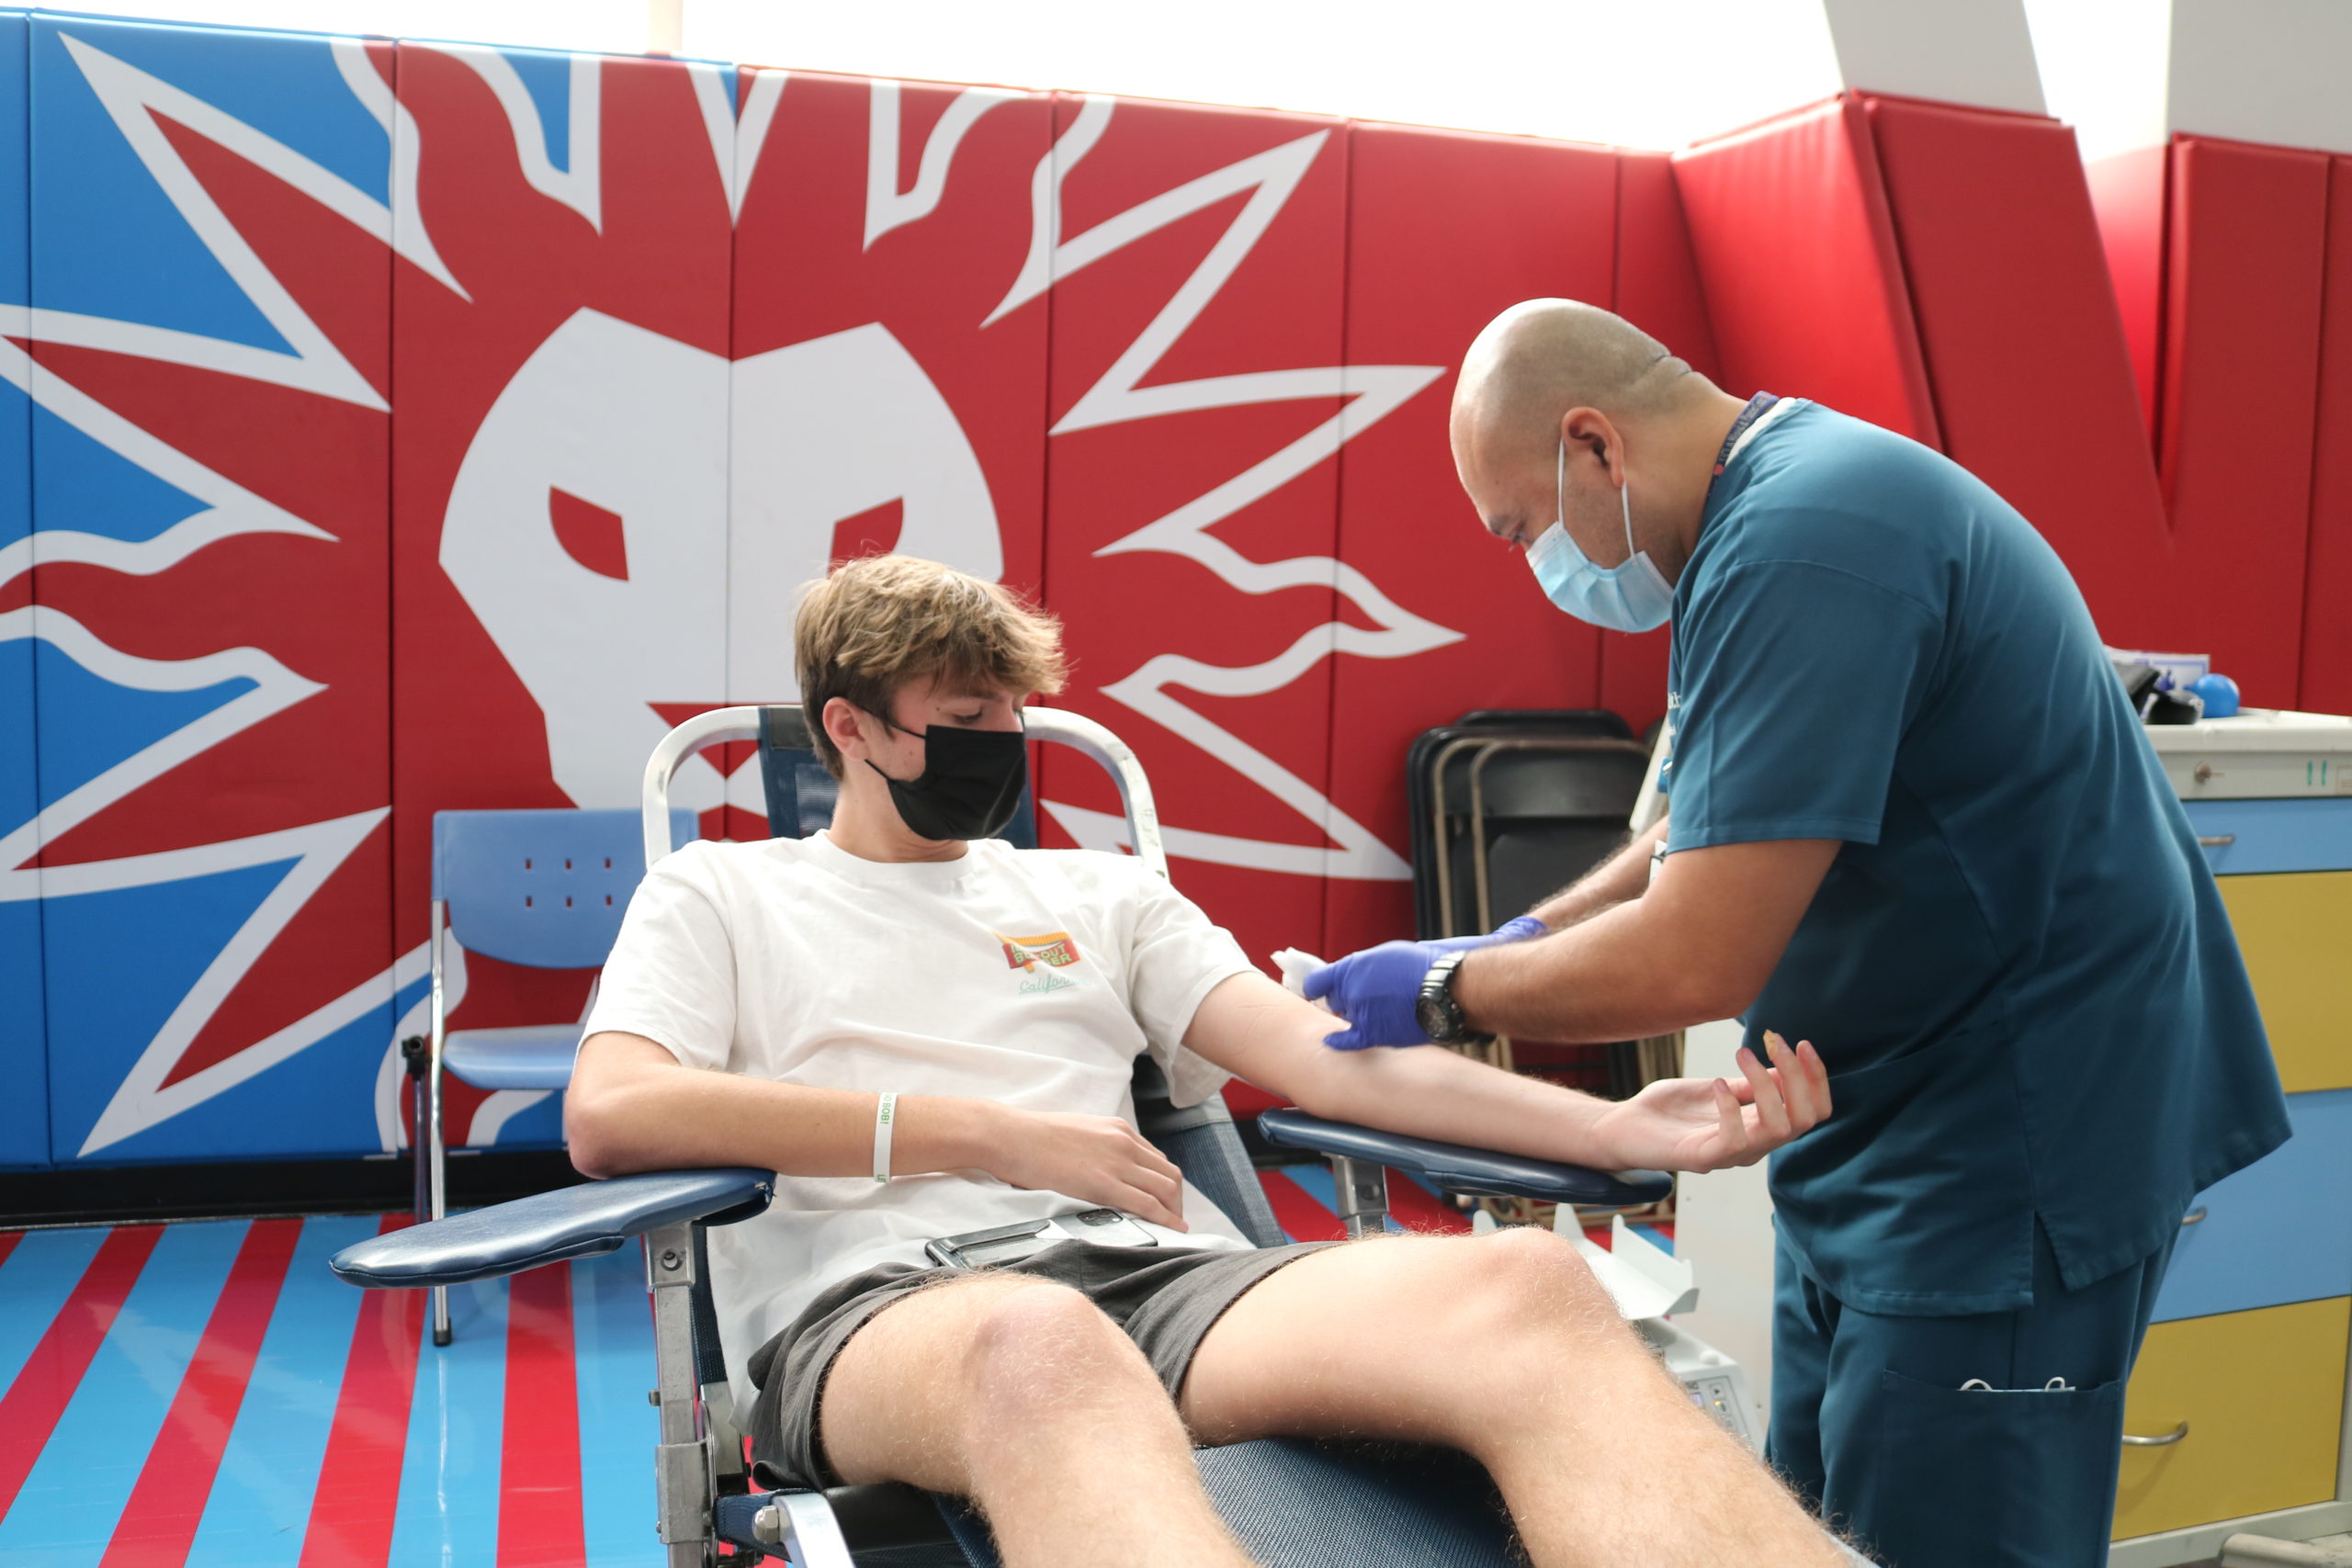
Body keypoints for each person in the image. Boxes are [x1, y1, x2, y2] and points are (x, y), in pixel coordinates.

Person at [566, 553, 1859, 1568]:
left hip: (1155, 1270)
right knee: (1046, 1350)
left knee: (1531, 1289)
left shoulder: (1099, 892)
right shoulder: (720, 894)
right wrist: (977, 1132)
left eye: (1017, 711)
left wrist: (1623, 1134)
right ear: (849, 727)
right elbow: (612, 1114)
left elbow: (1329, 1058)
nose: (1003, 740)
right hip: (885, 1311)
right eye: (966, 715)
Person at [1304, 300, 2291, 1567]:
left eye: (1523, 527)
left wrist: (1449, 990)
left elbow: (1690, 958)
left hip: (2015, 1146)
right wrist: (1522, 931)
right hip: (1890, 1124)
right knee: (1818, 1532)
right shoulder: (1759, 518)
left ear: (1594, 446)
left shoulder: (1806, 545)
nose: (1533, 564)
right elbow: (1700, 825)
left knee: (1957, 1536)